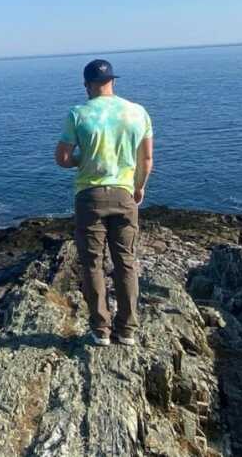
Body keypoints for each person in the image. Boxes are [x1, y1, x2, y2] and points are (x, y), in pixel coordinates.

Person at [54, 59, 153, 346]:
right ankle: (128, 330)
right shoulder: (137, 113)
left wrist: (80, 160)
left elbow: (61, 159)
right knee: (126, 263)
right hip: (125, 194)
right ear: (113, 81)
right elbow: (146, 160)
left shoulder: (78, 114)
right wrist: (139, 187)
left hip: (90, 197)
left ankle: (101, 330)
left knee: (93, 264)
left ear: (87, 85)